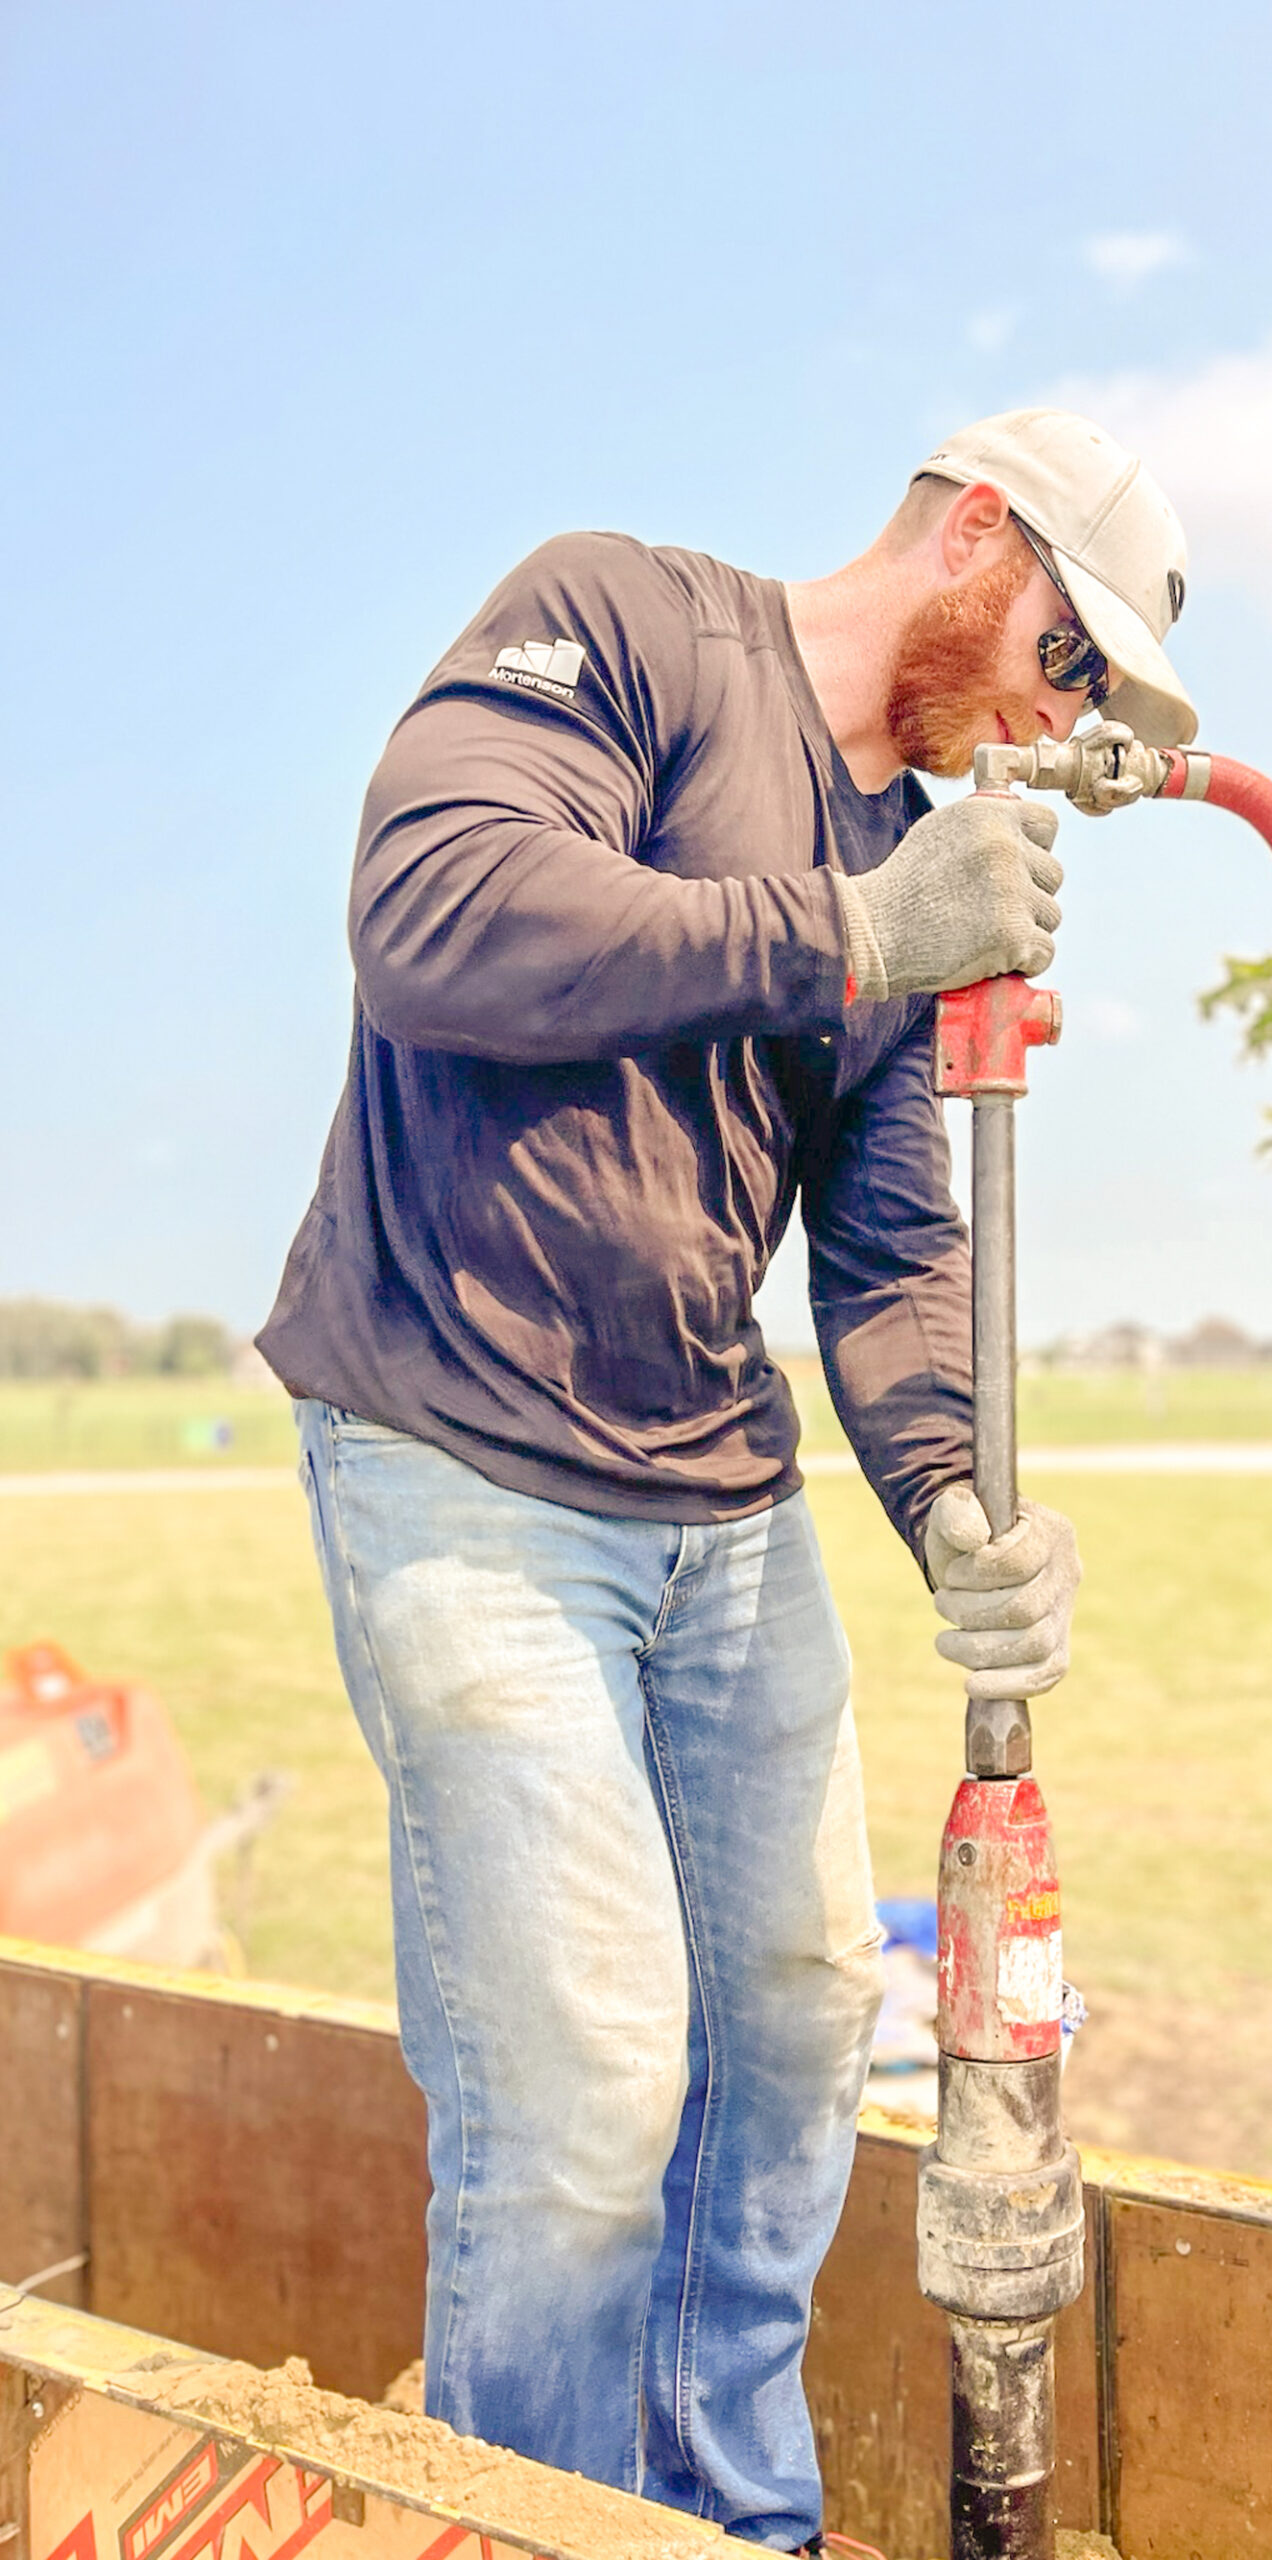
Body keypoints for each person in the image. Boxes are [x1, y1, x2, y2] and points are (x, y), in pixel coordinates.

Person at [258, 407, 1196, 2538]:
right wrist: (855, 930)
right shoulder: (629, 620)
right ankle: (548, 2520)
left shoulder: (907, 862)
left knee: (788, 2031)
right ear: (979, 533)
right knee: (588, 2085)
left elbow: (886, 1251)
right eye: (1068, 659)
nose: (1052, 724)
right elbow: (439, 909)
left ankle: (726, 2517)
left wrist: (957, 1497)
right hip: (461, 1457)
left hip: (719, 1502)